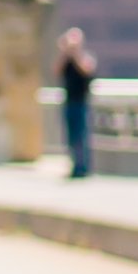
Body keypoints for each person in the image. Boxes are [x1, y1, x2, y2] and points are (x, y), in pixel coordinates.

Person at [57, 26, 97, 178]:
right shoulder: (65, 60)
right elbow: (56, 71)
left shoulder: (85, 57)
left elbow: (86, 70)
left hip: (81, 103)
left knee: (82, 136)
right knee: (71, 136)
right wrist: (64, 52)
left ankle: (83, 167)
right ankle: (74, 164)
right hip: (69, 101)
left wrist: (75, 53)